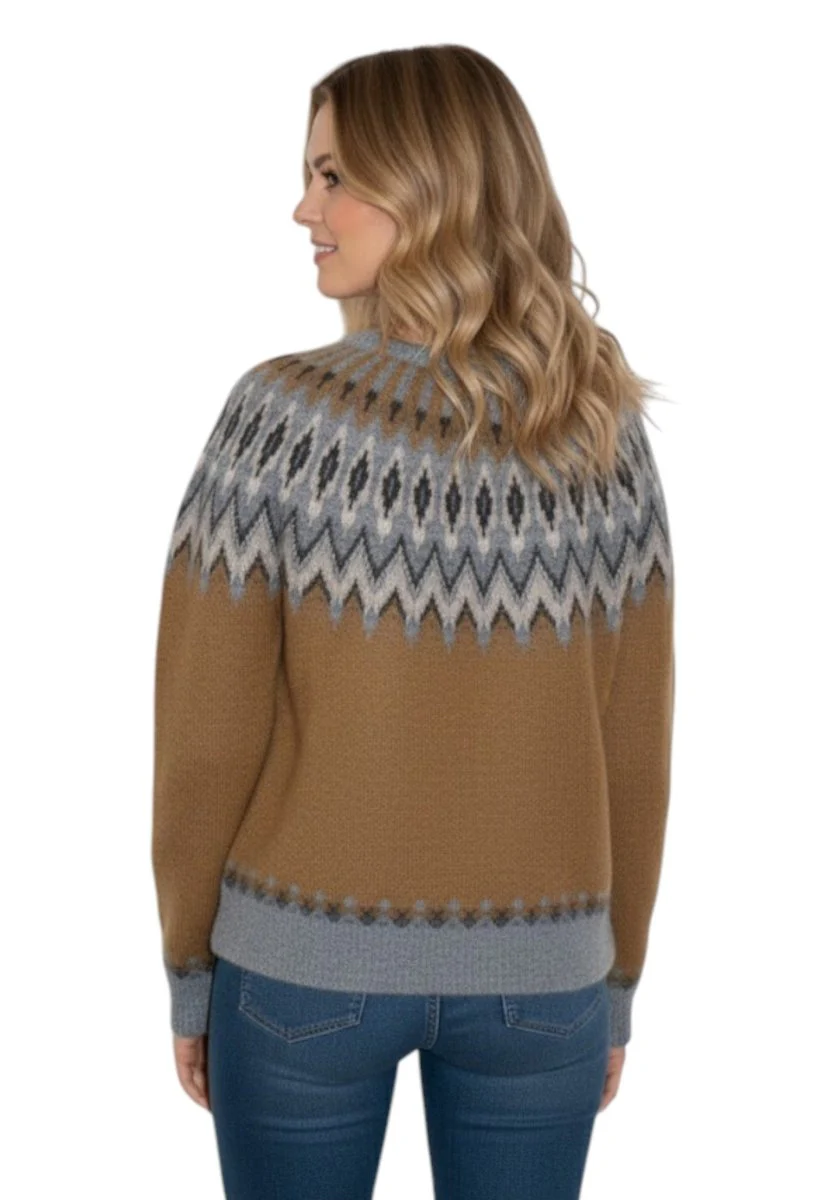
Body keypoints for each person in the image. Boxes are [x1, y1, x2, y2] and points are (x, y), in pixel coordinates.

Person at [151, 43, 675, 1200]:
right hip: (545, 981)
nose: (304, 209)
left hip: (299, 970)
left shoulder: (279, 421)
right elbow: (634, 742)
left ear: (428, 184)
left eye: (333, 176)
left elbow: (204, 740)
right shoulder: (598, 430)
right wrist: (615, 979)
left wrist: (191, 968)